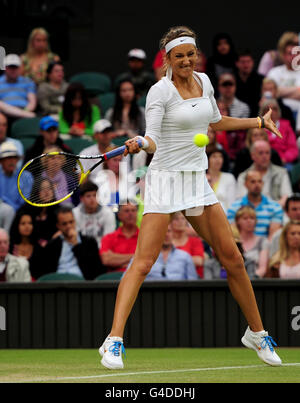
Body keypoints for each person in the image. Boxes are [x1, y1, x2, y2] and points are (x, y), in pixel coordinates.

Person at [99, 26, 282, 370]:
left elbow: (216, 121)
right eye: (178, 55)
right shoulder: (159, 91)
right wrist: (141, 142)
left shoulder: (205, 82)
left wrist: (258, 121)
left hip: (196, 180)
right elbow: (153, 139)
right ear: (167, 58)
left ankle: (257, 334)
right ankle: (113, 341)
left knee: (233, 259)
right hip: (165, 181)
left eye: (190, 54)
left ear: (196, 55)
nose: (186, 60)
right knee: (143, 263)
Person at [41, 206, 105, 280]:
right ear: (58, 226)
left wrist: (76, 245)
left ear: (75, 221)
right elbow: (46, 272)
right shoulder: (52, 245)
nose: (69, 226)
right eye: (64, 224)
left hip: (82, 285)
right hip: (57, 283)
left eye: (71, 222)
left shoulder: (89, 242)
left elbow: (94, 271)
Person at [125, 225, 198, 281]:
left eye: (168, 231)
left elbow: (193, 284)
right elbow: (126, 280)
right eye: (162, 231)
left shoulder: (185, 257)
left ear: (173, 234)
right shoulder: (142, 256)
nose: (166, 234)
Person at [228, 171, 283, 240]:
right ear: (245, 184)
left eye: (259, 181)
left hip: (266, 248)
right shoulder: (234, 208)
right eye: (253, 181)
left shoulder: (275, 207)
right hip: (241, 247)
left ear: (263, 183)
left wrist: (264, 249)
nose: (257, 185)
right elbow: (234, 235)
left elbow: (273, 236)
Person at [237, 140, 293, 206]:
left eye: (267, 153)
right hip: (251, 213)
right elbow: (241, 199)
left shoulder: (282, 173)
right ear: (253, 156)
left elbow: (287, 197)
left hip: (276, 212)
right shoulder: (243, 176)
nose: (265, 156)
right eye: (261, 153)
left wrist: (271, 210)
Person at [267, 41, 300, 135]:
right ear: (284, 55)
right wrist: (297, 90)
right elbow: (271, 92)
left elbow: (277, 91)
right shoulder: (274, 72)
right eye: (290, 53)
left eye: (297, 53)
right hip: (280, 112)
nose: (294, 56)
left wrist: (281, 91)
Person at [73, 181, 116, 248]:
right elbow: (75, 238)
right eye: (88, 196)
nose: (92, 199)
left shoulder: (108, 213)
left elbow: (108, 239)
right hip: (82, 250)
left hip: (102, 251)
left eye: (95, 195)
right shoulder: (74, 213)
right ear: (81, 199)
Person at [100, 202, 139, 273]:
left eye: (133, 210)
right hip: (114, 279)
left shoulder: (144, 236)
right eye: (127, 211)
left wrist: (116, 260)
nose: (130, 213)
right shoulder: (108, 238)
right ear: (119, 215)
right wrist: (137, 256)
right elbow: (106, 260)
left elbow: (149, 260)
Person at [105, 79, 146, 146]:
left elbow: (145, 134)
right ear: (119, 93)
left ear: (134, 92)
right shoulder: (111, 112)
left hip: (136, 145)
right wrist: (116, 133)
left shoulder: (141, 111)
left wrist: (129, 133)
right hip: (115, 145)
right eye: (124, 91)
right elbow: (106, 133)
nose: (127, 93)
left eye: (130, 90)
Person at [259, 99, 298, 168]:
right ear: (263, 112)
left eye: (274, 109)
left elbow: (293, 148)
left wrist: (284, 159)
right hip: (262, 161)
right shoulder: (257, 128)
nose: (272, 112)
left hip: (283, 162)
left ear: (278, 112)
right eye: (268, 109)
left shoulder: (286, 126)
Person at [235, 207, 269, 278]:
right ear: (238, 221)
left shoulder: (263, 241)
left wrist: (251, 279)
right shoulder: (233, 241)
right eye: (245, 218)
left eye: (252, 218)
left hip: (255, 281)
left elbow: (262, 269)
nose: (249, 221)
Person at [9, 211, 43, 280]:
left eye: (30, 223)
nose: (27, 226)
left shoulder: (39, 248)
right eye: (23, 223)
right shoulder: (10, 248)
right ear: (17, 225)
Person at [170, 212, 204, 278]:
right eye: (176, 219)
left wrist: (172, 261)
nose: (180, 221)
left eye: (183, 219)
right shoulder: (167, 241)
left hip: (191, 279)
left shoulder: (195, 241)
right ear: (170, 222)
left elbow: (199, 261)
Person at [206, 147, 237, 213]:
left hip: (224, 216)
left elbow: (231, 203)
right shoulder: (201, 178)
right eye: (214, 156)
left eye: (220, 157)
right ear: (207, 159)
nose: (218, 159)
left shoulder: (229, 177)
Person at [269, 194, 300, 259]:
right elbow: (273, 261)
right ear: (286, 212)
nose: (298, 212)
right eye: (294, 209)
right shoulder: (278, 235)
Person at [235, 50, 264, 117]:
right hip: (237, 117)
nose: (246, 65)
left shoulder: (261, 80)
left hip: (257, 117)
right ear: (237, 63)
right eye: (243, 62)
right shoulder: (232, 81)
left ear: (253, 62)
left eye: (248, 62)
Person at [0, 142, 24, 211]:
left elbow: (23, 203)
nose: (12, 161)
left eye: (15, 158)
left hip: (20, 215)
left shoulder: (26, 177)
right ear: (1, 161)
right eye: (9, 158)